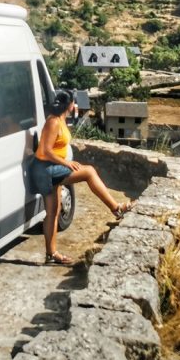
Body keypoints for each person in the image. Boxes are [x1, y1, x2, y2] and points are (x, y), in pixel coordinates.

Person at [35, 88, 133, 265]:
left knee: (53, 213)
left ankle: (51, 254)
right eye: (74, 103)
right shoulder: (53, 122)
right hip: (46, 169)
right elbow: (45, 151)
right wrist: (66, 163)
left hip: (49, 168)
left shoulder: (61, 119)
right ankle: (117, 208)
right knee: (88, 172)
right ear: (70, 104)